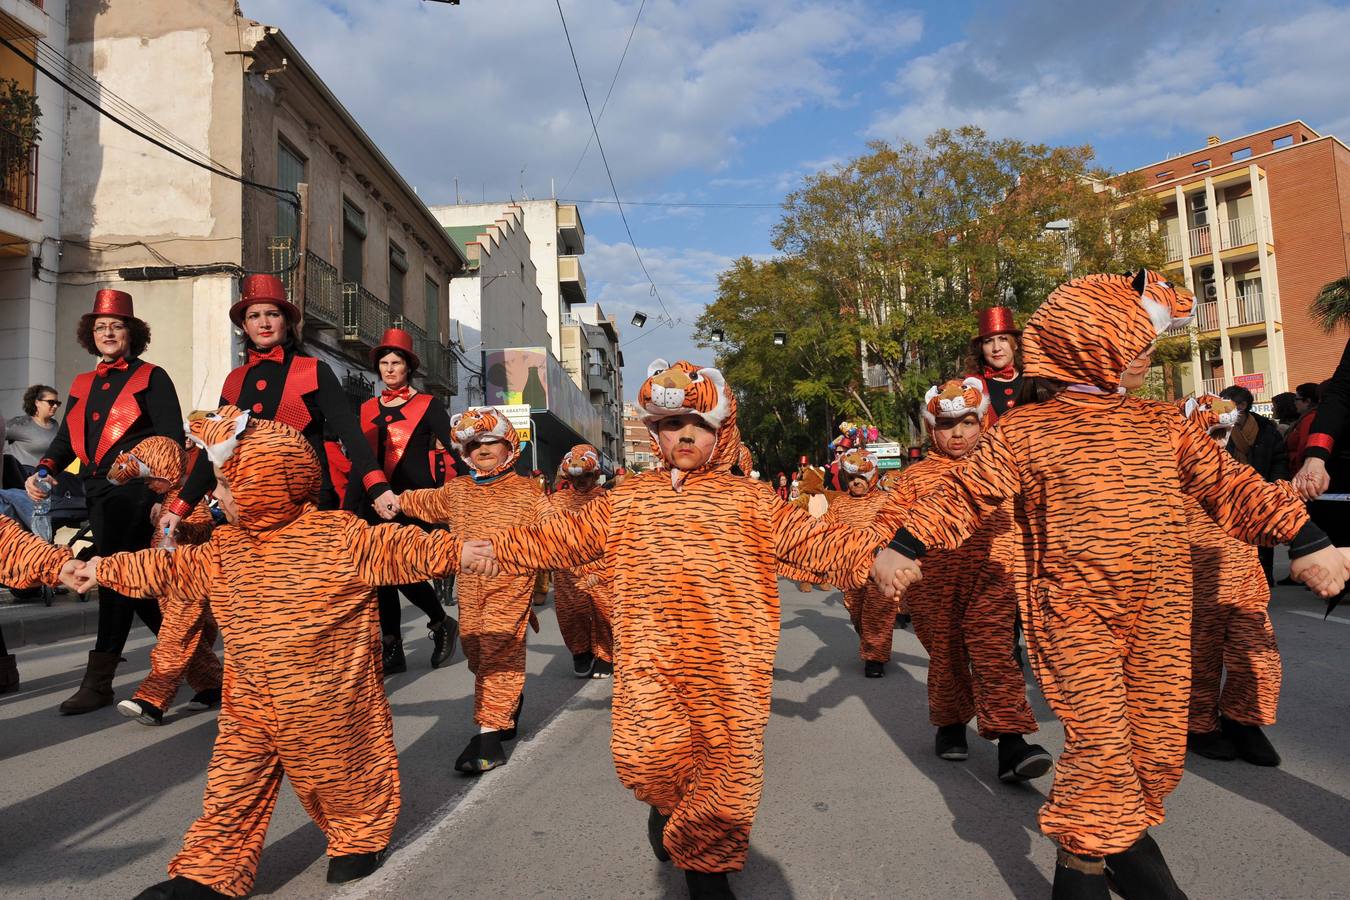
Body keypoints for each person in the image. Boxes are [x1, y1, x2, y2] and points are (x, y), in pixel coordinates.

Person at [874, 270, 1348, 899]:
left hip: (1160, 611)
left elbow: (1232, 486)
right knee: (1100, 744)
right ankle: (1082, 874)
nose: (1147, 360)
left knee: (1155, 750)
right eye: (1136, 347)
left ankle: (1122, 848)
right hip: (1073, 615)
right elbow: (963, 493)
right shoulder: (1025, 431)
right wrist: (903, 545)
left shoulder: (1164, 425)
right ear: (1092, 344)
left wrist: (1306, 538)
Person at [463, 358, 891, 900]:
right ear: (655, 432)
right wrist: (493, 551)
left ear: (721, 431)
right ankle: (666, 805)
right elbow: (558, 541)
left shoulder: (754, 502)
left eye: (699, 424)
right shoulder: (628, 500)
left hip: (732, 666)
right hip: (649, 659)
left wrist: (877, 558)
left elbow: (816, 544)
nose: (684, 434)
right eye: (671, 425)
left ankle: (707, 873)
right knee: (645, 761)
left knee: (727, 771)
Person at [74, 408, 473, 899]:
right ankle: (210, 871)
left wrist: (462, 552)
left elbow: (404, 548)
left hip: (329, 705)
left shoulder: (338, 536)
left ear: (264, 482)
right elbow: (169, 571)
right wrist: (104, 571)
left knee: (342, 777)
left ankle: (358, 834)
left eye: (225, 484)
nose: (216, 496)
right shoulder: (226, 547)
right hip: (248, 703)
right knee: (231, 789)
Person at [875, 377, 1048, 780]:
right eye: (946, 424)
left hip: (993, 579)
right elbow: (886, 525)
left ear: (983, 421)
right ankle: (951, 725)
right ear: (931, 428)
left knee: (995, 653)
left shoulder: (1002, 470)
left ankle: (1011, 743)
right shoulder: (914, 478)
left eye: (968, 422)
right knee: (948, 657)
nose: (958, 433)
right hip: (932, 586)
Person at [26, 289, 184, 715]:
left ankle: (99, 683)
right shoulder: (82, 383)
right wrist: (44, 471)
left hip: (135, 491)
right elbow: (65, 441)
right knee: (135, 585)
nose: (108, 332)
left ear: (132, 332)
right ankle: (201, 667)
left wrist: (163, 495)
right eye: (100, 327)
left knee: (114, 578)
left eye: (116, 325)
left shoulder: (152, 376)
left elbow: (171, 438)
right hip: (95, 491)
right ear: (90, 335)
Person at [160, 274, 396, 535]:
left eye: (272, 314)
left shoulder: (313, 370)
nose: (263, 323)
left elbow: (351, 436)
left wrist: (377, 487)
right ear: (244, 326)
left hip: (307, 505)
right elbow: (214, 452)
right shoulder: (234, 381)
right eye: (254, 316)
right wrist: (180, 507)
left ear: (286, 321)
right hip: (248, 509)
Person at [392, 407, 549, 774]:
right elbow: (427, 502)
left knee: (498, 651)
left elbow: (557, 532)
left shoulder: (529, 493)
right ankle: (506, 704)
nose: (482, 449)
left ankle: (488, 738)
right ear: (464, 451)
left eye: (491, 442)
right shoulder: (458, 489)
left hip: (511, 584)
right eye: (474, 444)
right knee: (477, 652)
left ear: (509, 446)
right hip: (470, 588)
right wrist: (394, 500)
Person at [1179, 395, 1283, 768]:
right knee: (1199, 659)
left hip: (1245, 587)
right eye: (1210, 432)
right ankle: (1198, 724)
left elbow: (1268, 510)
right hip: (1195, 590)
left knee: (1257, 656)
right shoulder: (1169, 484)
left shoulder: (1241, 473)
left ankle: (1243, 720)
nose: (1218, 441)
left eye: (1224, 433)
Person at [350, 327, 459, 674]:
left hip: (413, 500)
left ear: (408, 367)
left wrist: (464, 492)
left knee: (402, 571)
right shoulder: (367, 408)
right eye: (384, 363)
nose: (389, 369)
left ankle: (441, 621)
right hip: (374, 499)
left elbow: (455, 449)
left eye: (396, 362)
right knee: (379, 576)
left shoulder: (428, 406)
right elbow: (359, 459)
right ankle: (392, 645)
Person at [106, 435, 223, 725]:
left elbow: (203, 529)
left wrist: (181, 528)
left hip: (187, 580)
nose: (148, 485)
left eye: (152, 478)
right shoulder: (169, 499)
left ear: (166, 471)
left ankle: (151, 701)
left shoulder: (188, 499)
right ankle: (213, 686)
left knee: (174, 639)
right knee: (189, 640)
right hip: (169, 582)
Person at [819, 449, 899, 677]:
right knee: (856, 612)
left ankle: (875, 659)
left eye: (861, 479)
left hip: (881, 568)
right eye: (852, 479)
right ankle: (874, 644)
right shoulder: (840, 504)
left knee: (877, 612)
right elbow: (823, 528)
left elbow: (901, 526)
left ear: (872, 477)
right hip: (850, 569)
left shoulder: (886, 501)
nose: (856, 483)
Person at [547, 444, 614, 678]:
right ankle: (581, 652)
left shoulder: (608, 499)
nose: (582, 481)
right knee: (572, 611)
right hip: (567, 567)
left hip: (601, 566)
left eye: (587, 476)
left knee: (604, 610)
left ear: (596, 475)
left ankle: (606, 655)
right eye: (577, 476)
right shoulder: (556, 501)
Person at [1219, 383, 1290, 584]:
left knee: (1263, 536)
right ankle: (1238, 582)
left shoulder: (1267, 429)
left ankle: (1264, 578)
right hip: (1228, 493)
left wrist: (1276, 484)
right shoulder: (1217, 429)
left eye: (1225, 405)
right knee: (1233, 539)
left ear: (1242, 406)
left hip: (1260, 488)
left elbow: (1279, 458)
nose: (1219, 409)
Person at [968, 306, 1023, 422]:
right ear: (981, 348)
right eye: (988, 341)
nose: (996, 348)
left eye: (1003, 339)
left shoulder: (1034, 379)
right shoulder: (972, 386)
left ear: (1016, 344)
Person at [5, 384, 61, 472]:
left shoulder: (55, 425)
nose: (55, 406)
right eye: (51, 402)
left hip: (45, 479)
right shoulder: (20, 424)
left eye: (57, 403)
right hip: (22, 479)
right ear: (37, 402)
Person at [1283, 382, 1321, 469]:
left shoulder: (1309, 419)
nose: (1294, 403)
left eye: (1296, 399)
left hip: (1298, 470)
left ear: (1307, 401)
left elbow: (1303, 447)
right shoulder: (1306, 418)